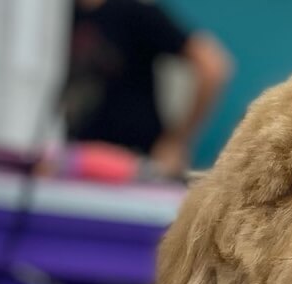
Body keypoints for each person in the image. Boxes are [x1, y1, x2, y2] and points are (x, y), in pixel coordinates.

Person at [63, 0, 230, 177]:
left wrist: (175, 142)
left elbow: (212, 67)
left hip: (136, 165)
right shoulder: (58, 16)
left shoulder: (135, 11)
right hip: (74, 161)